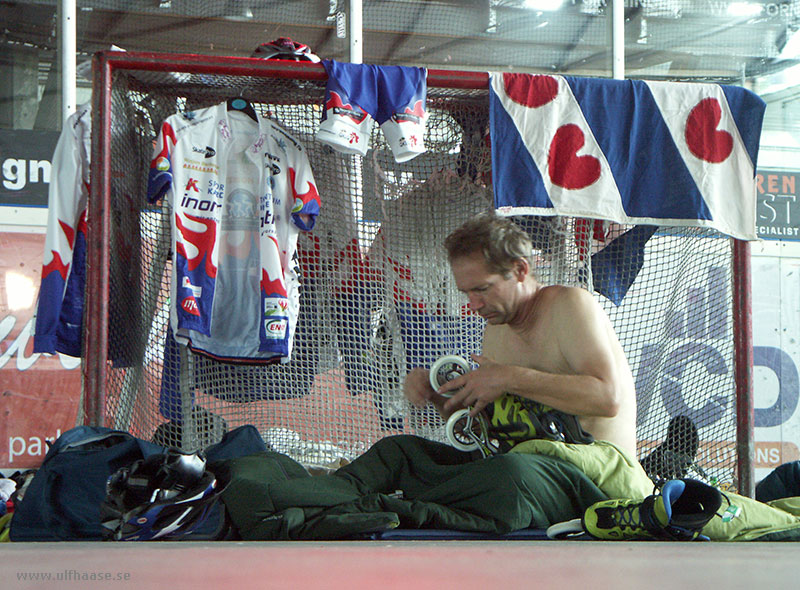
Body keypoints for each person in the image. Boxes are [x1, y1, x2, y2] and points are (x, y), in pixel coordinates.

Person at [403, 211, 638, 457]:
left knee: (510, 472)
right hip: (534, 474)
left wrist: (509, 377)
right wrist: (436, 394)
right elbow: (484, 430)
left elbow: (608, 399)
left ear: (520, 270)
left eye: (482, 289)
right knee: (400, 453)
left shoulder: (570, 305)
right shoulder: (496, 330)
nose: (473, 305)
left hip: (600, 477)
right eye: (466, 293)